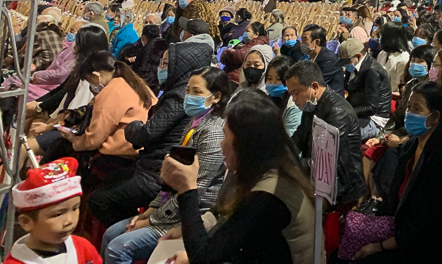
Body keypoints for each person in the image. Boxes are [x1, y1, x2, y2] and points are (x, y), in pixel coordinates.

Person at [160, 90, 314, 263]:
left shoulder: (268, 197)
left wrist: (187, 190)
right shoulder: (265, 173)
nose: (221, 143)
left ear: (246, 145)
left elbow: (204, 258)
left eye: (226, 135)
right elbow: (228, 226)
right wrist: (192, 229)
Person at [100, 68, 230, 264]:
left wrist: (150, 220)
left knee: (118, 249)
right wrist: (147, 213)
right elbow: (170, 183)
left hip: (190, 216)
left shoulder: (213, 132)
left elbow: (194, 190)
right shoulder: (194, 124)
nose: (189, 96)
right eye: (188, 91)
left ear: (216, 96)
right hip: (170, 207)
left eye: (197, 92)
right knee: (111, 233)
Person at [89, 41, 213, 225]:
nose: (159, 68)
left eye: (165, 64)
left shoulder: (179, 97)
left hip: (156, 172)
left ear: (180, 66)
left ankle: (124, 232)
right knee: (111, 178)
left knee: (99, 200)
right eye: (160, 63)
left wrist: (133, 125)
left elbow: (146, 133)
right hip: (151, 163)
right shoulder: (176, 92)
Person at [356, 81, 442, 264]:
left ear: (435, 117)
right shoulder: (410, 146)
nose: (409, 114)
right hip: (404, 234)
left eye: (417, 109)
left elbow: (430, 223)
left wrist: (380, 245)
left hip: (433, 246)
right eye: (408, 107)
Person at [283, 60, 367, 206]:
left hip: (340, 186)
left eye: (296, 93)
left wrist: (288, 163)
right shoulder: (311, 105)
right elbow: (297, 138)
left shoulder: (337, 112)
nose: (293, 99)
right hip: (318, 178)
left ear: (314, 86)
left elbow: (324, 161)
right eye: (291, 94)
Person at [64, 51, 154, 173]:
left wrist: (74, 140)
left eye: (90, 82)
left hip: (117, 156)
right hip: (138, 151)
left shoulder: (111, 91)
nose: (92, 86)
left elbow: (94, 139)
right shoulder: (135, 83)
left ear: (96, 76)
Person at [5, 158, 100, 264]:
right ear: (26, 222)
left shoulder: (83, 247)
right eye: (58, 214)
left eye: (75, 208)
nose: (69, 220)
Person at [339, 38, 391, 139]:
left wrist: (346, 112)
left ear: (358, 56)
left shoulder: (372, 71)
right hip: (360, 113)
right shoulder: (354, 68)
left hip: (375, 119)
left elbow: (371, 108)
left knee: (342, 134)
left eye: (347, 61)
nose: (345, 65)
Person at [264, 56, 303, 136]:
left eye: (278, 79)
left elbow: (290, 138)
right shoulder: (265, 99)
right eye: (269, 78)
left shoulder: (293, 105)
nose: (273, 83)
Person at [301, 25, 343, 94]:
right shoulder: (311, 57)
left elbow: (316, 84)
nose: (302, 43)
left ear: (317, 42)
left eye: (305, 39)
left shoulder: (329, 59)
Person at [378, 23, 411, 94]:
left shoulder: (403, 58)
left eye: (382, 35)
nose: (380, 37)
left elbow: (400, 87)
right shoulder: (382, 53)